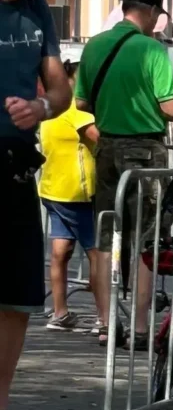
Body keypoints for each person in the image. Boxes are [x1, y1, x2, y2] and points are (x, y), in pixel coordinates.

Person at [0, 0, 72, 410]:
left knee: (18, 300)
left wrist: (42, 107)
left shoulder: (37, 10)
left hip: (18, 168)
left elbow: (61, 91)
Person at [75, 0, 173, 351]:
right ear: (151, 12)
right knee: (146, 240)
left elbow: (82, 104)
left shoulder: (95, 45)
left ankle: (106, 325)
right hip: (145, 152)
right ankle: (139, 329)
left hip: (105, 148)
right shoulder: (152, 50)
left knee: (105, 236)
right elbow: (171, 108)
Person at [38, 48, 102, 332]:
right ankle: (104, 318)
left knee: (60, 251)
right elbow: (99, 139)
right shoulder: (76, 108)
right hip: (78, 191)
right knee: (97, 254)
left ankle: (60, 312)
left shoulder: (50, 104)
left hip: (53, 189)